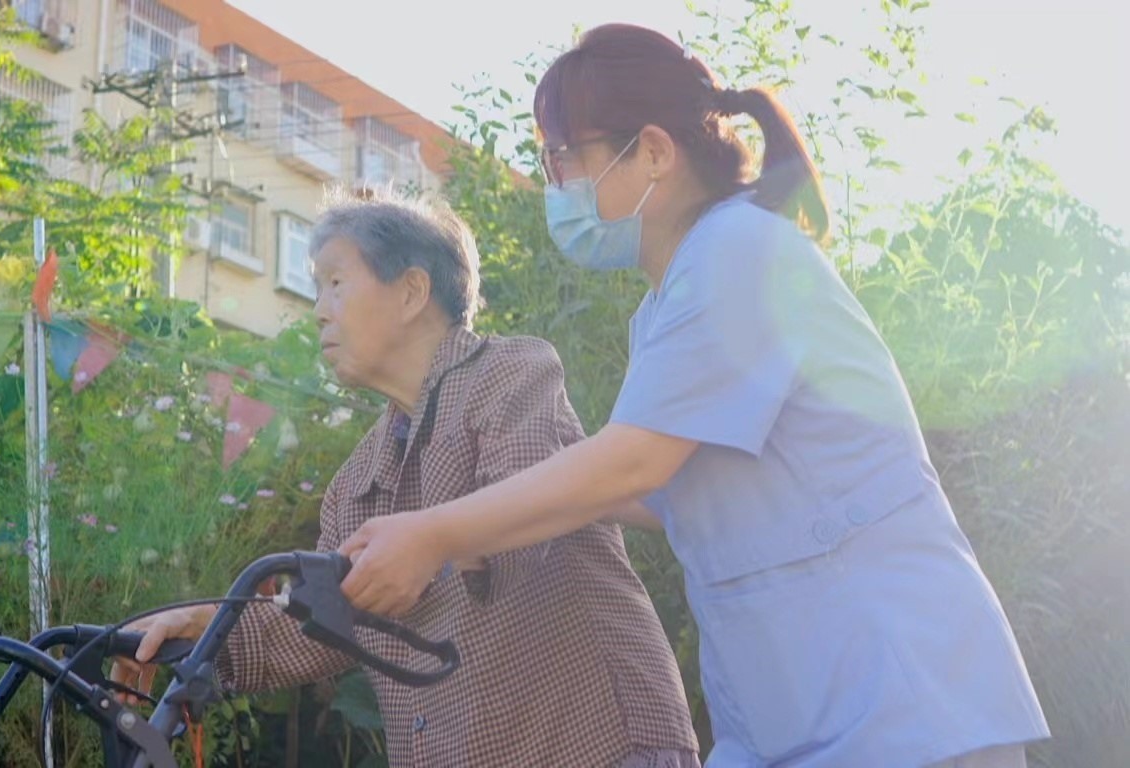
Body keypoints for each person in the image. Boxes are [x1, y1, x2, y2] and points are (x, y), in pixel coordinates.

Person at [337, 24, 1050, 768]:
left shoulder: (738, 250)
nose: (556, 185)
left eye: (564, 158)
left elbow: (633, 463)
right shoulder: (668, 304)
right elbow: (657, 490)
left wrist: (436, 533)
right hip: (800, 706)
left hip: (901, 699)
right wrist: (488, 500)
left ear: (652, 151)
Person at [111, 193, 702, 767]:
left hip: (599, 745)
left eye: (336, 282)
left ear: (413, 292)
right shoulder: (356, 482)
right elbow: (317, 627)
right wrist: (204, 626)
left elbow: (527, 526)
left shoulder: (508, 373)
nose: (319, 310)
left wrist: (428, 543)